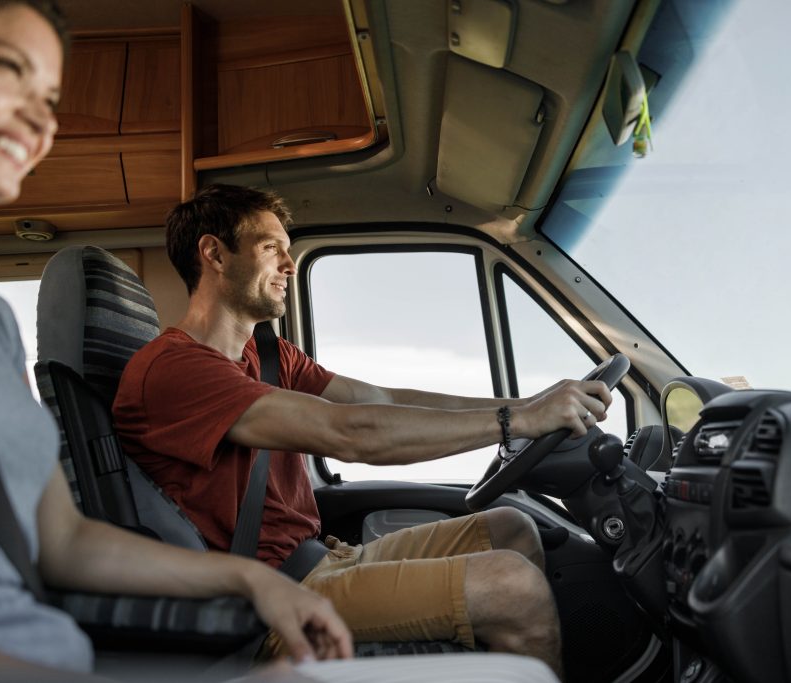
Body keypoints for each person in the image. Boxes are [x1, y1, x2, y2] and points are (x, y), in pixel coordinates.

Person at [0, 0, 353, 677]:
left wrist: (251, 581)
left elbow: (63, 539)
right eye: (8, 67)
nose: (43, 119)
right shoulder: (173, 367)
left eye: (51, 97)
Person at [113, 183, 614, 678]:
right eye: (272, 249)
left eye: (290, 252)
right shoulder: (173, 369)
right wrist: (516, 423)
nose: (290, 265)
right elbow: (349, 433)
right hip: (267, 600)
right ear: (213, 254)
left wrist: (529, 404)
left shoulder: (268, 354)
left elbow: (380, 400)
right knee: (512, 587)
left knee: (510, 528)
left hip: (321, 558)